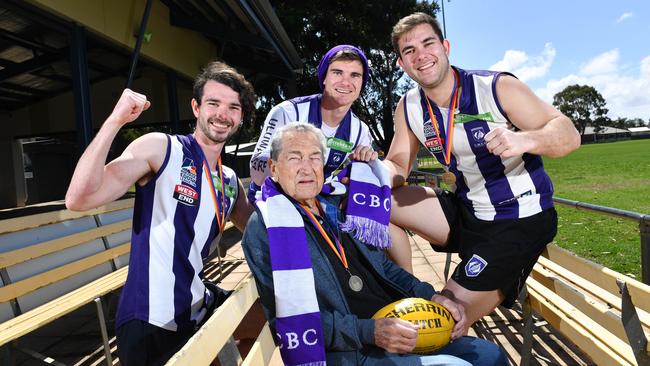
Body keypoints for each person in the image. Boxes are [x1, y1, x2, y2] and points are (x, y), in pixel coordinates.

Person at [242, 123, 507, 365]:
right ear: (274, 168)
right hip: (352, 348)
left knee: (490, 355)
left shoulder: (338, 206)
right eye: (294, 158)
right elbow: (287, 320)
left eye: (314, 157)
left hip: (397, 321)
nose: (307, 167)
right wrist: (370, 332)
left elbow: (385, 268)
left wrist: (432, 296)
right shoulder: (265, 226)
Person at [383, 12, 581, 327]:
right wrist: (366, 172)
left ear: (445, 47)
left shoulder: (496, 87)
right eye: (409, 51)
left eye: (428, 43)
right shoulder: (408, 106)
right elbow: (396, 166)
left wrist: (524, 139)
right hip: (469, 209)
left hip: (519, 218)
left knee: (443, 321)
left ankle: (440, 311)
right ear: (401, 64)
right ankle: (404, 290)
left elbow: (569, 135)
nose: (421, 55)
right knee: (372, 201)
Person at [65, 61, 256, 365]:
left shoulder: (230, 181)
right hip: (151, 317)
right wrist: (115, 120)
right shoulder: (161, 149)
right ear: (196, 107)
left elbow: (264, 232)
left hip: (198, 304)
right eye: (213, 103)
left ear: (241, 117)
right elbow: (79, 199)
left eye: (233, 107)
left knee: (270, 315)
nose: (222, 114)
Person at [248, 44, 377, 203]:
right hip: (272, 201)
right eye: (337, 73)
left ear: (362, 83)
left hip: (319, 205)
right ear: (324, 78)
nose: (346, 82)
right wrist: (293, 176)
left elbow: (367, 176)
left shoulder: (359, 131)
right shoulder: (288, 112)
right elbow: (256, 166)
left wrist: (362, 169)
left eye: (355, 75)